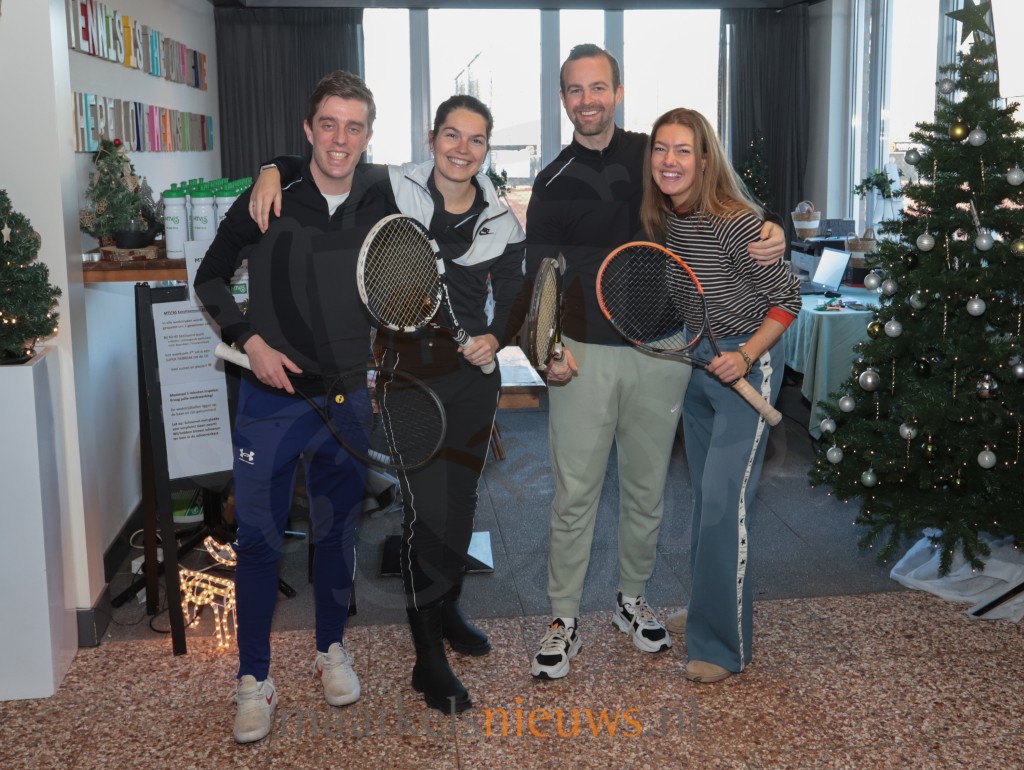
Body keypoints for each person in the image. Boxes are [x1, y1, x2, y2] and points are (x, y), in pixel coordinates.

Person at [249, 94, 526, 713]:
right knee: (426, 513)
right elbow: (328, 159)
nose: (461, 149)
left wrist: (496, 336)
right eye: (451, 135)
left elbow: (514, 291)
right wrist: (271, 167)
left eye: (475, 139)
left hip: (473, 382)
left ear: (486, 150)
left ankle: (447, 608)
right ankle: (426, 656)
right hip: (410, 380)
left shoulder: (499, 219)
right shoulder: (394, 188)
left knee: (461, 504)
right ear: (432, 139)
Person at [525, 44, 787, 680]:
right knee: (575, 496)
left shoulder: (654, 156)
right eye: (575, 90)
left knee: (647, 492)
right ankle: (563, 619)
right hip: (584, 357)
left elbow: (723, 200)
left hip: (667, 354)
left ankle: (632, 600)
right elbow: (540, 281)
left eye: (598, 87)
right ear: (563, 99)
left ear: (617, 92)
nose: (587, 100)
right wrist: (546, 354)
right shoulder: (551, 182)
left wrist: (774, 228)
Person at [194, 70, 394, 743]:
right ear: (309, 129)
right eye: (328, 125)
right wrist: (248, 341)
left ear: (368, 136)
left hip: (346, 399)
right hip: (271, 400)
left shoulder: (382, 195)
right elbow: (209, 278)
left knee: (337, 534)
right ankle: (253, 678)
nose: (340, 139)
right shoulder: (270, 198)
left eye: (354, 127)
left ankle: (331, 647)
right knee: (258, 541)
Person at [640, 107, 801, 682]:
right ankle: (711, 607)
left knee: (722, 506)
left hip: (743, 368)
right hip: (700, 365)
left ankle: (722, 648)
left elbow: (787, 300)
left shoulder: (737, 223)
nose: (670, 161)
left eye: (683, 150)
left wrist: (747, 356)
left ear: (705, 159)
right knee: (708, 499)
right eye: (661, 149)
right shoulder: (672, 218)